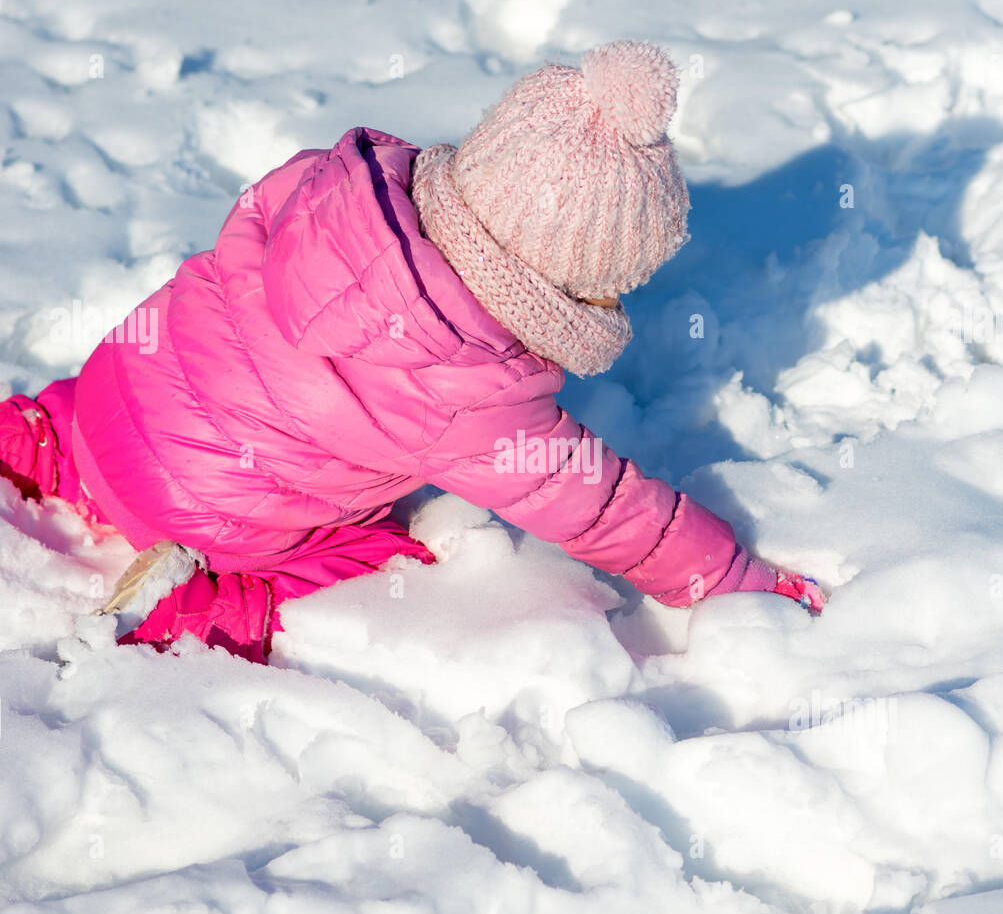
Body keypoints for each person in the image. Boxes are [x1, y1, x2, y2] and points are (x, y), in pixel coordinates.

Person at [0, 40, 824, 663]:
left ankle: (26, 441)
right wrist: (733, 582)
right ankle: (196, 609)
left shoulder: (327, 194)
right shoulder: (468, 392)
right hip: (202, 517)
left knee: (182, 385)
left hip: (112, 394)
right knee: (384, 543)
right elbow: (609, 512)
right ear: (568, 285)